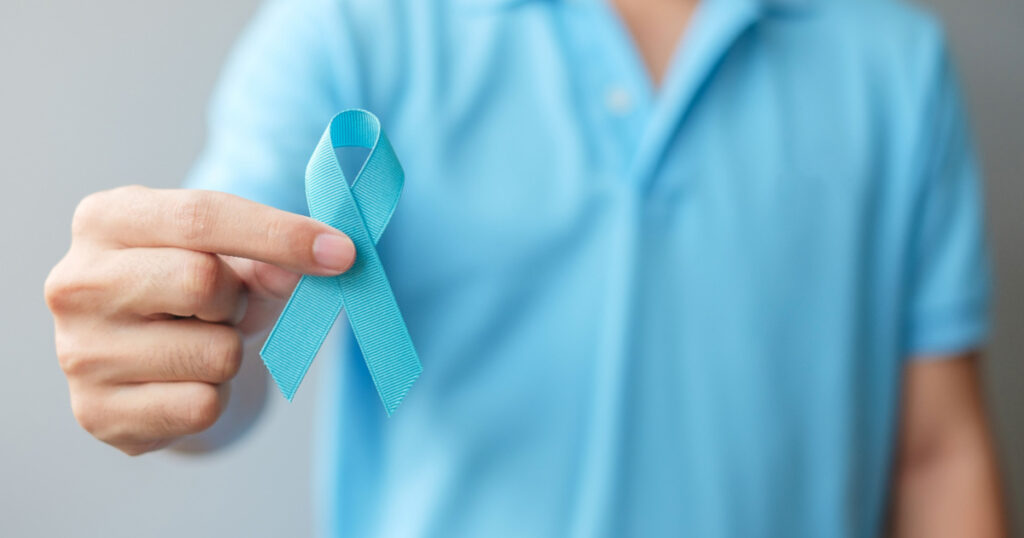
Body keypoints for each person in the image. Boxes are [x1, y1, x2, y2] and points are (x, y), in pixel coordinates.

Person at [43, 0, 1007, 535]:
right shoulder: (354, 27)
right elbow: (237, 327)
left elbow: (936, 455)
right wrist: (167, 344)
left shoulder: (895, 65)